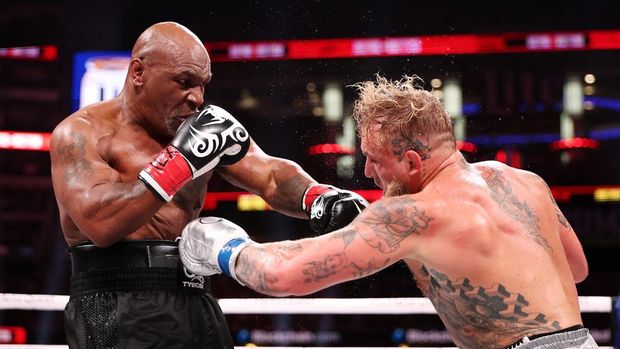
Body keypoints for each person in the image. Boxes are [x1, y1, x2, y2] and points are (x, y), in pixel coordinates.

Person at [180, 74, 598, 349]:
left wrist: (222, 245)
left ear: (413, 163)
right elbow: (576, 269)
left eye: (375, 160)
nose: (366, 171)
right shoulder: (524, 182)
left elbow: (281, 274)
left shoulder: (413, 213)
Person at [49, 22, 367, 349]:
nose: (197, 98)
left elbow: (269, 174)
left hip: (195, 297)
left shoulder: (200, 127)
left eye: (202, 85)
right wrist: (178, 163)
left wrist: (319, 198)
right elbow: (100, 223)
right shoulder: (80, 133)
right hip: (113, 302)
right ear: (139, 72)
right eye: (184, 83)